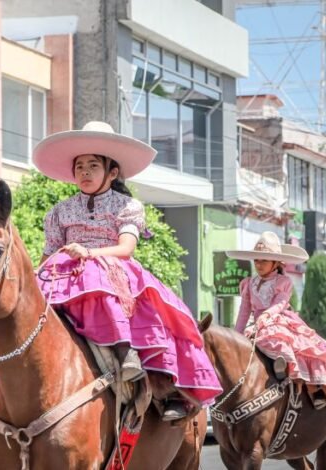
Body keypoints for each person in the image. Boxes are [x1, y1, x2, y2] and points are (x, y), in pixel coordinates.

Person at [32, 121, 222, 421]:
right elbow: (48, 255)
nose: (84, 172)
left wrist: (89, 253)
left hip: (111, 269)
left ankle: (135, 361)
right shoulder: (59, 211)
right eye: (79, 166)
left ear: (112, 172)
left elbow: (126, 248)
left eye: (93, 165)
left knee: (100, 276)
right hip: (64, 274)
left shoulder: (127, 205)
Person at [227, 232, 326, 408]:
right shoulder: (248, 283)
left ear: (276, 263)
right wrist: (236, 335)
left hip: (279, 321)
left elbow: (279, 304)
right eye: (256, 260)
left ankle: (312, 389)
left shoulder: (283, 281)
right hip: (257, 324)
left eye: (264, 260)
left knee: (292, 346)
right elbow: (244, 312)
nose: (258, 264)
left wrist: (265, 317)